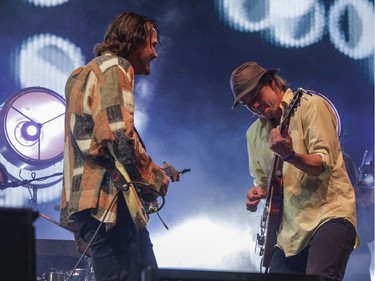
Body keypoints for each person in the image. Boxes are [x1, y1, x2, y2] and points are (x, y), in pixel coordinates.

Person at [60, 12, 170, 281]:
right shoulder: (115, 68)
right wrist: (150, 178)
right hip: (108, 203)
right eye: (152, 44)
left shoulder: (82, 74)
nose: (155, 53)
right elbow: (116, 137)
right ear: (134, 40)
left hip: (91, 203)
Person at [229, 61, 358, 281]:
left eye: (256, 97)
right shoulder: (253, 134)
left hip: (328, 215)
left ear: (272, 82)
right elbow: (263, 181)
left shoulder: (311, 105)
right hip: (288, 232)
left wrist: (290, 155)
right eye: (247, 104)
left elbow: (322, 164)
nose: (255, 107)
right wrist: (257, 192)